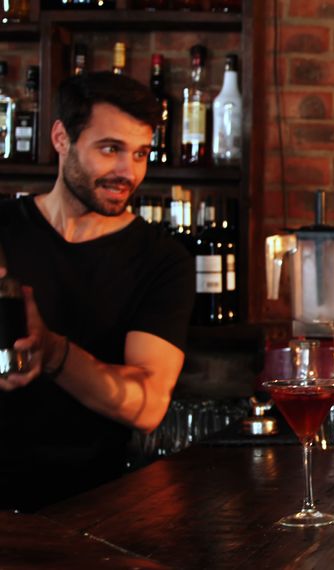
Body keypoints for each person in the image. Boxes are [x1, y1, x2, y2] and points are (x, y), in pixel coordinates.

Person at [0, 72, 195, 511]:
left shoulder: (162, 260)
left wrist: (52, 353)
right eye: (111, 149)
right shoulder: (4, 229)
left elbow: (147, 405)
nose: (128, 172)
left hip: (93, 511)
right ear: (61, 138)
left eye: (141, 154)